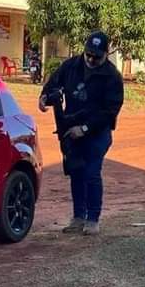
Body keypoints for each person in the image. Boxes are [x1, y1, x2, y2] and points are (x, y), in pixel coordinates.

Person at [39, 31, 124, 236]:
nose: (92, 59)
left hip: (96, 132)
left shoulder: (112, 76)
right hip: (71, 129)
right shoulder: (72, 65)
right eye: (89, 55)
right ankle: (78, 217)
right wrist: (44, 96)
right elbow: (54, 82)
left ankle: (93, 219)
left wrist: (85, 129)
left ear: (106, 54)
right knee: (76, 171)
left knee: (91, 173)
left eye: (97, 56)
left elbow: (110, 110)